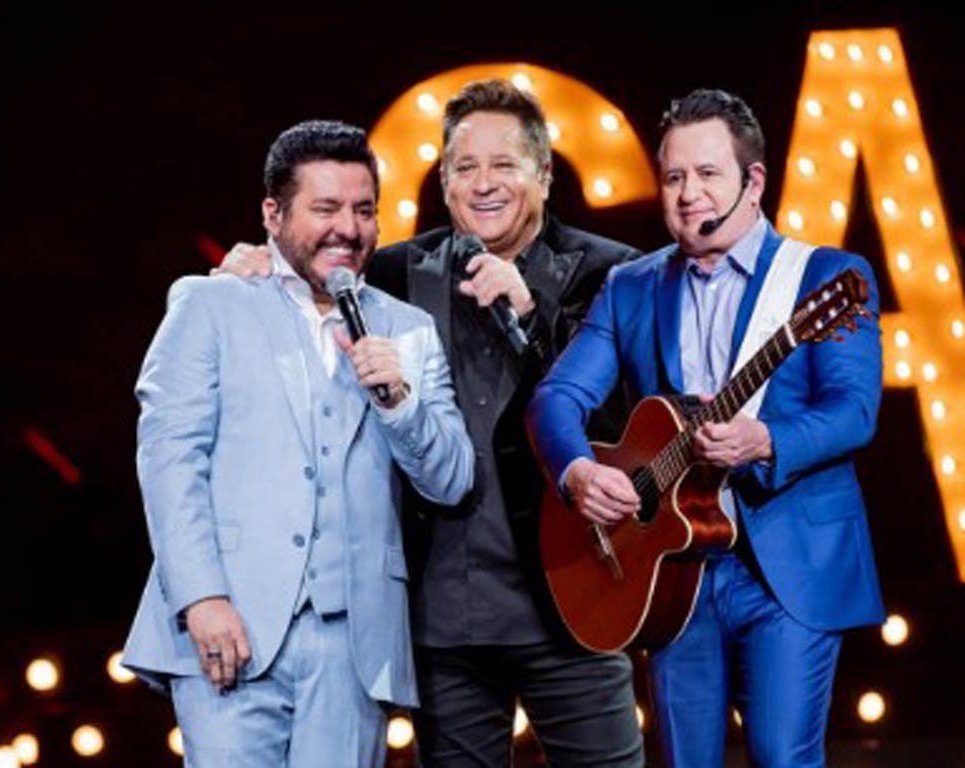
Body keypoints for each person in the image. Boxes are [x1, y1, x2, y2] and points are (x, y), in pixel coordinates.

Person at [221, 80, 644, 767]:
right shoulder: (391, 274)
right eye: (464, 167)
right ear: (444, 181)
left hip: (574, 601)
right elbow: (313, 268)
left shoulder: (612, 274)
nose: (483, 183)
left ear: (543, 174)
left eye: (503, 164)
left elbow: (621, 421)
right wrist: (258, 265)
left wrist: (533, 314)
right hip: (442, 619)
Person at [527, 89, 885, 768]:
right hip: (672, 569)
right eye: (674, 177)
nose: (689, 194)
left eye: (708, 173)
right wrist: (578, 471)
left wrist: (768, 440)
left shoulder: (823, 277)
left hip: (788, 565)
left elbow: (853, 411)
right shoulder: (631, 286)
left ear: (754, 181)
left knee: (783, 757)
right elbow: (557, 398)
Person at [121, 120, 474, 768]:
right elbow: (170, 460)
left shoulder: (408, 329)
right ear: (273, 214)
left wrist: (400, 402)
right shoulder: (211, 304)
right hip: (231, 625)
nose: (348, 228)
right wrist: (201, 597)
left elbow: (452, 479)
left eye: (364, 210)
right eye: (325, 208)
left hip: (356, 645)